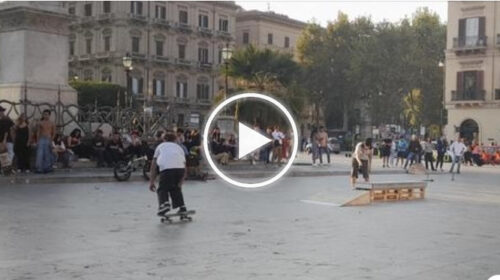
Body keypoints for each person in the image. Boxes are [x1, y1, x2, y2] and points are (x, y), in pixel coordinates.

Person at [149, 132, 189, 216]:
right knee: (176, 188)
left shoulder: (160, 146)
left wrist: (151, 182)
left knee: (162, 189)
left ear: (164, 139)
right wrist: (181, 181)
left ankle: (164, 204)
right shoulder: (179, 148)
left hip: (167, 169)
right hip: (180, 169)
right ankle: (182, 207)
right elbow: (185, 165)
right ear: (175, 140)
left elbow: (153, 164)